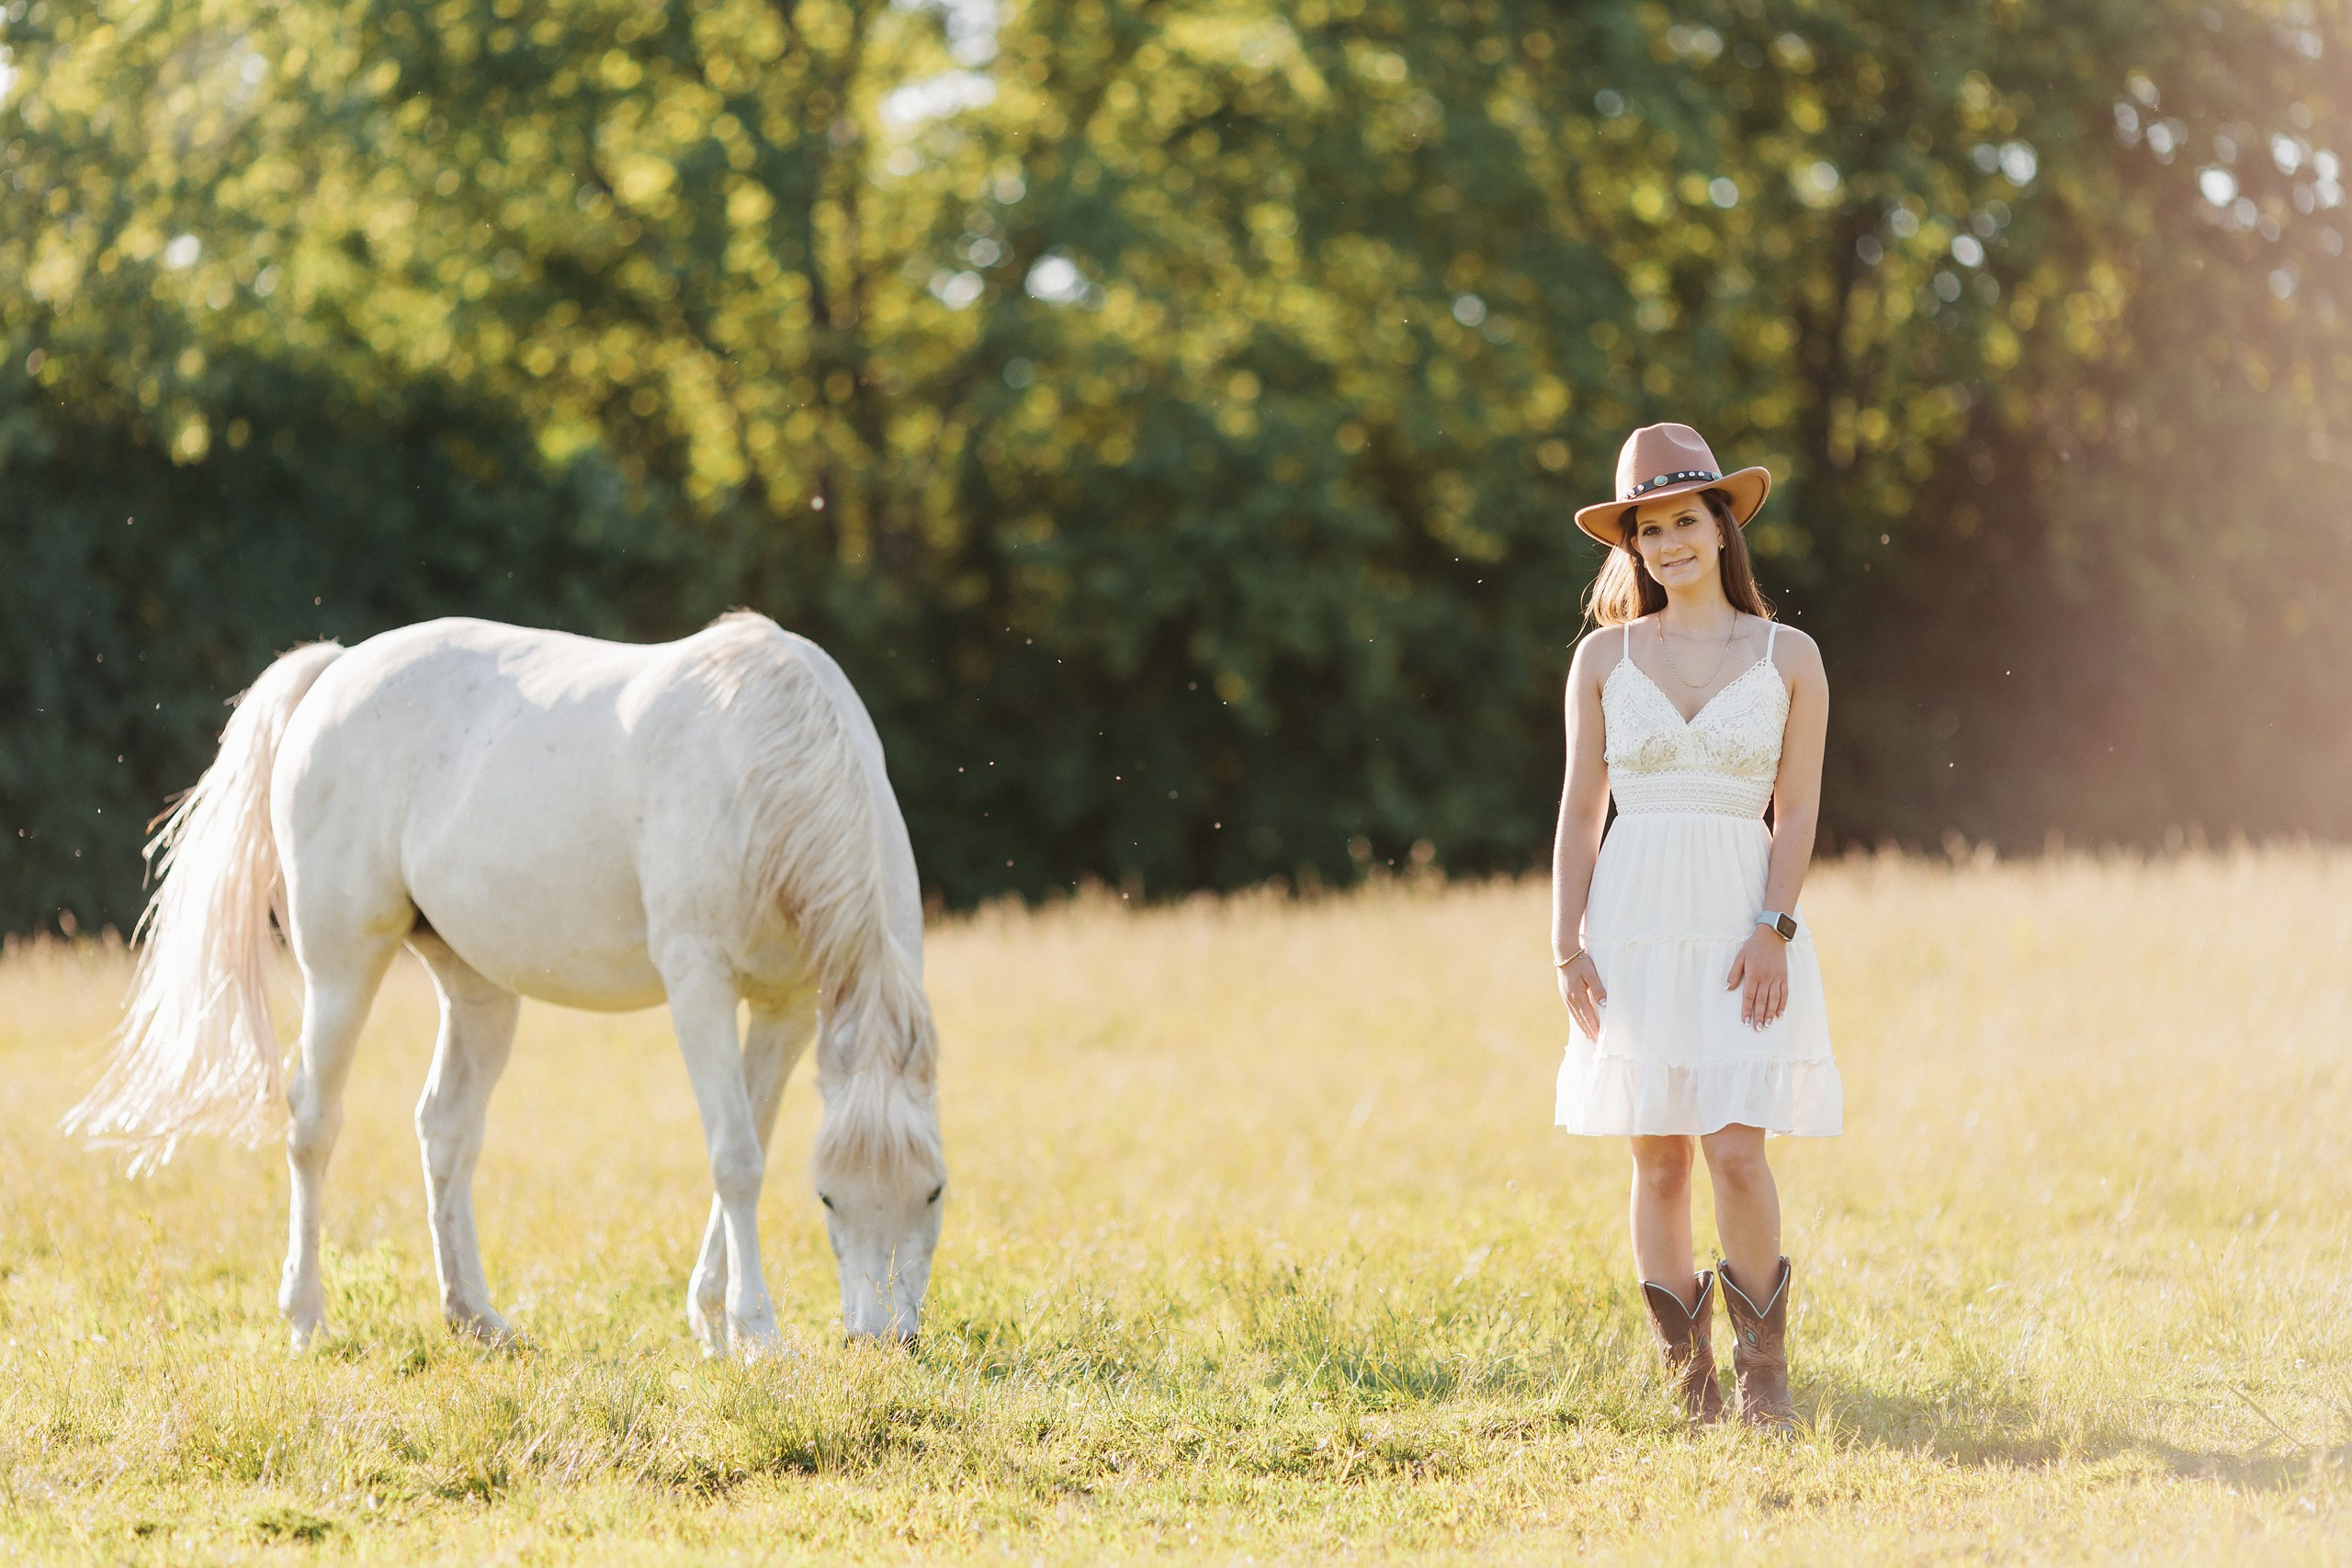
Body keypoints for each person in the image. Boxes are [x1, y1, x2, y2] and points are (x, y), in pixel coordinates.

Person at [1549, 423, 1841, 1430]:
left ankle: (1765, 1378)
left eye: (1685, 519)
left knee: (1734, 1151)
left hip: (1736, 918)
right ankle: (1691, 1384)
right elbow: (1580, 812)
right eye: (1648, 528)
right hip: (1629, 921)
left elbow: (1795, 811)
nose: (1669, 541)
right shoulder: (1602, 658)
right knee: (1658, 1155)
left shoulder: (1788, 655)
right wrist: (1565, 945)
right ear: (1631, 546)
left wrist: (1775, 924)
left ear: (1721, 526)